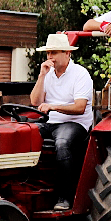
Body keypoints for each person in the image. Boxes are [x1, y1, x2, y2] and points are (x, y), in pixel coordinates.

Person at [30, 33, 94, 210]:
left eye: (54, 53)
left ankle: (65, 196)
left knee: (63, 142)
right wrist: (42, 76)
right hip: (52, 122)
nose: (50, 57)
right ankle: (32, 188)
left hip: (76, 123)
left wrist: (52, 106)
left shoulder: (80, 74)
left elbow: (80, 107)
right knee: (26, 134)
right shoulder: (48, 74)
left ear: (67, 54)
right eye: (48, 53)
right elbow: (35, 101)